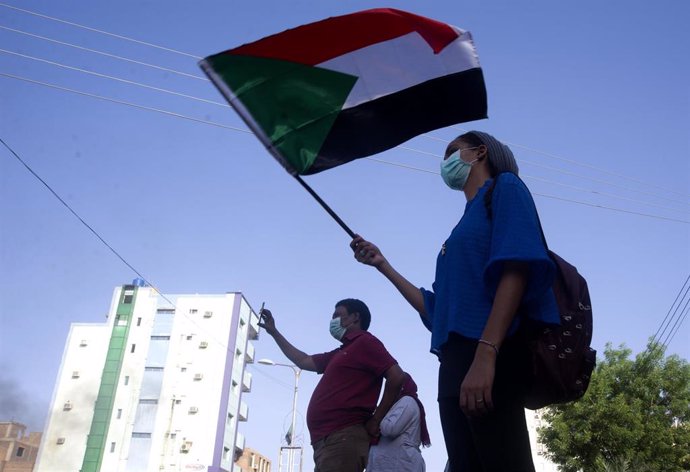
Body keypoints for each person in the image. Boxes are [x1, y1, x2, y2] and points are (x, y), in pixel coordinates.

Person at [350, 131, 560, 472]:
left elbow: (517, 267)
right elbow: (435, 308)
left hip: (491, 355)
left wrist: (486, 353)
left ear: (479, 152)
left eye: (452, 151)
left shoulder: (505, 188)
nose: (444, 161)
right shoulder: (459, 229)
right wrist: (382, 264)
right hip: (453, 365)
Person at [259, 298, 405, 472]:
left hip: (343, 437)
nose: (333, 321)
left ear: (355, 317)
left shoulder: (366, 342)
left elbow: (396, 377)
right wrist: (274, 332)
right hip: (328, 443)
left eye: (338, 315)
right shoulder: (341, 352)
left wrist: (375, 420)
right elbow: (304, 360)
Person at [367, 373, 430, 472]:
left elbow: (390, 428)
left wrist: (377, 417)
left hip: (400, 464)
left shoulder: (407, 401)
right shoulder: (396, 404)